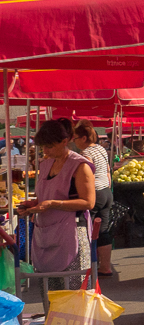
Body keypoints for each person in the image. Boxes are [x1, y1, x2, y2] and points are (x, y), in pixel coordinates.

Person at [21, 120, 94, 289]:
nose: (45, 151)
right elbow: (45, 196)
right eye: (43, 147)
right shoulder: (46, 164)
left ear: (64, 141)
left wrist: (52, 203)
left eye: (50, 146)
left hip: (73, 232)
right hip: (45, 233)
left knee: (73, 288)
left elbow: (88, 202)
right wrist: (32, 204)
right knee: (50, 288)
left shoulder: (80, 166)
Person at [73, 121, 117, 278]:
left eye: (75, 138)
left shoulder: (86, 154)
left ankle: (87, 267)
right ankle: (105, 266)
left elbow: (88, 174)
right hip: (106, 192)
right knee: (103, 230)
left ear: (83, 138)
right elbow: (107, 170)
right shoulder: (101, 149)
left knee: (86, 230)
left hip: (95, 193)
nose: (74, 141)